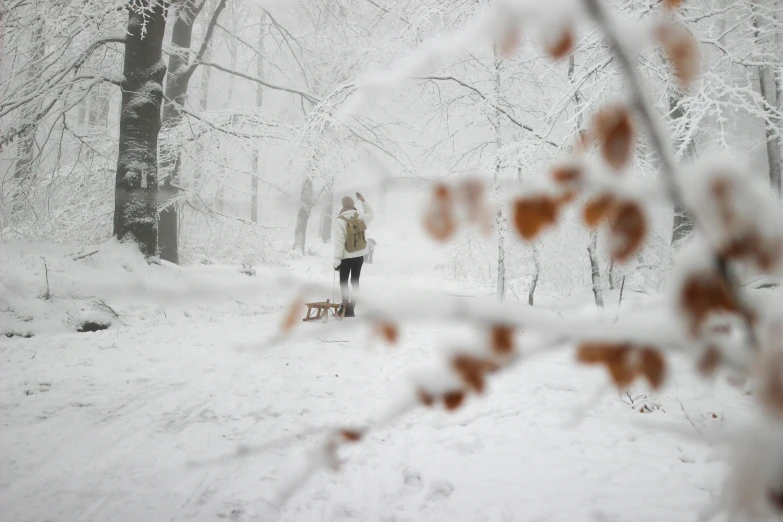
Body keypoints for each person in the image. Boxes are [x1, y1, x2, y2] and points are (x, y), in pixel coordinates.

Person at [333, 192, 374, 317]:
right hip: (359, 256)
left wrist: (336, 259)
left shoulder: (340, 220)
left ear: (343, 205)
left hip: (346, 257)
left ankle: (343, 309)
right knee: (355, 281)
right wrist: (363, 201)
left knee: (343, 282)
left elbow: (339, 242)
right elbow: (371, 214)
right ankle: (351, 309)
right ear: (352, 204)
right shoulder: (360, 217)